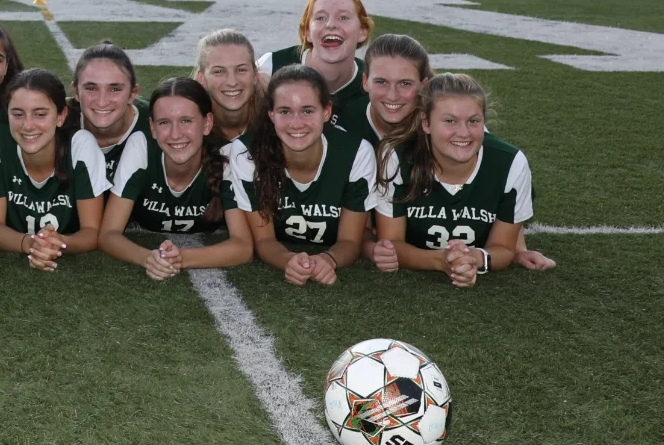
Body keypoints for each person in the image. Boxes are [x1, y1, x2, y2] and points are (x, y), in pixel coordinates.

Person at [342, 34, 555, 270]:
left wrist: (515, 247)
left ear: (423, 86)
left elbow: (495, 183)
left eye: (405, 83)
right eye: (381, 82)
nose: (393, 95)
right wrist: (369, 244)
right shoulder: (350, 121)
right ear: (365, 82)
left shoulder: (456, 124)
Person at [373, 74, 535, 287]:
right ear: (426, 123)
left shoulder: (510, 162)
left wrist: (474, 259)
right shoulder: (396, 157)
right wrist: (441, 261)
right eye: (450, 121)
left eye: (473, 121)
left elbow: (504, 249)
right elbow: (391, 244)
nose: (463, 132)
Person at [227, 66, 377, 287]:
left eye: (307, 111)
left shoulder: (356, 152)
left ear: (326, 112)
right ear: (271, 115)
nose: (296, 123)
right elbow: (264, 240)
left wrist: (329, 259)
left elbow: (350, 240)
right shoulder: (246, 153)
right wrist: (289, 261)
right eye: (285, 111)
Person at [98, 77, 253, 280]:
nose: (176, 134)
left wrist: (180, 258)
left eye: (186, 121)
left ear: (207, 123)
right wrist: (147, 258)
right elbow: (108, 234)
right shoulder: (141, 147)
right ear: (152, 128)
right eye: (164, 123)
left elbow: (243, 247)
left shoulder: (227, 155)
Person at [0, 69, 111, 271]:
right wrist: (30, 244)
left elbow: (92, 232)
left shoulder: (81, 146)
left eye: (40, 114)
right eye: (17, 114)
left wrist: (58, 244)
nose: (28, 125)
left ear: (61, 116)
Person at [256, 0, 373, 121]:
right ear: (307, 32)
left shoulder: (374, 82)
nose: (330, 24)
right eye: (320, 18)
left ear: (362, 32)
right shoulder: (271, 66)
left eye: (343, 17)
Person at [69, 40, 149, 184]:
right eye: (91, 88)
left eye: (115, 89)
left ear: (132, 93)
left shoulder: (157, 122)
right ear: (75, 91)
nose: (102, 101)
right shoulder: (54, 120)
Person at [194, 28, 263, 143]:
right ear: (202, 79)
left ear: (255, 75)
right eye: (219, 72)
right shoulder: (189, 128)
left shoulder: (276, 120)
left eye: (241, 70)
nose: (232, 82)